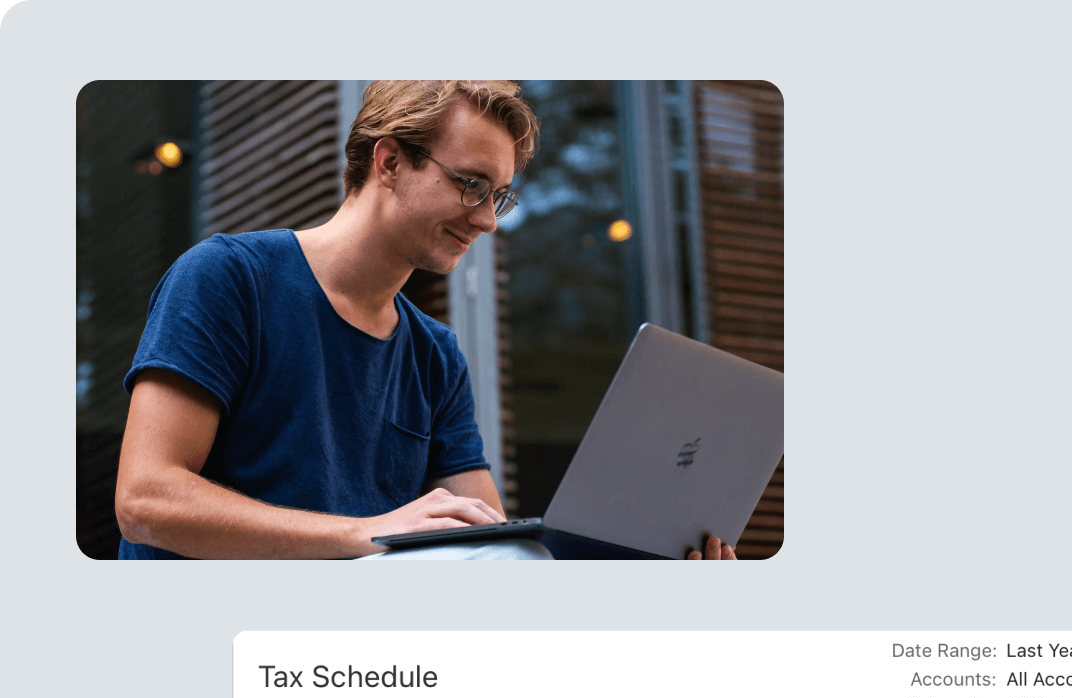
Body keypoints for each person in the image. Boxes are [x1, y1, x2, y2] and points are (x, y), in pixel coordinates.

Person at [114, 80, 736, 560]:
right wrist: (365, 534)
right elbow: (145, 500)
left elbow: (488, 549)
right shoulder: (228, 278)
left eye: (499, 195)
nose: (488, 219)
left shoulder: (435, 355)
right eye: (471, 184)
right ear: (388, 163)